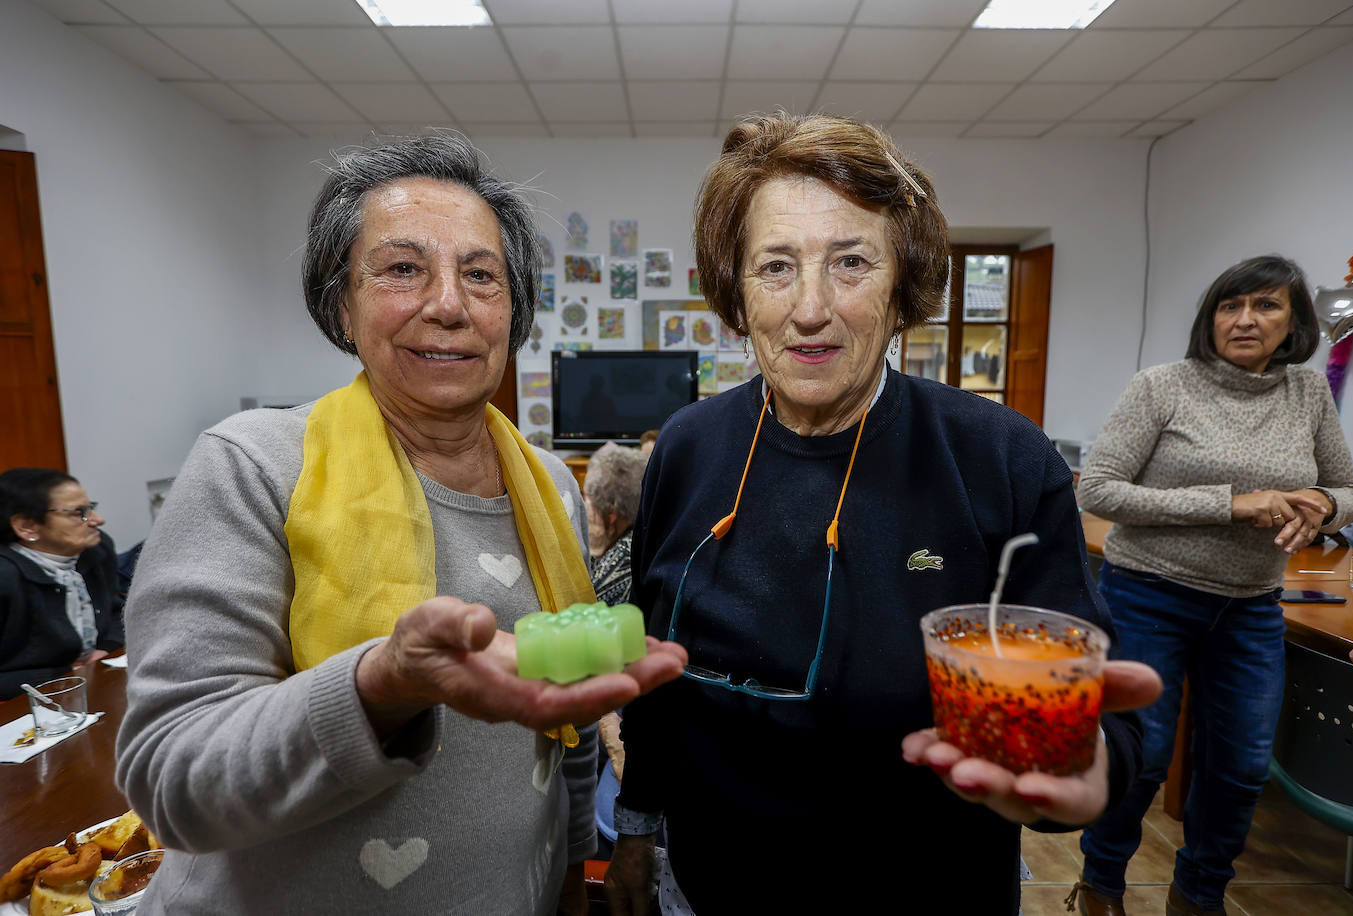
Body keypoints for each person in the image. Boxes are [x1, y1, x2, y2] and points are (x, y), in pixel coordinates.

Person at [603, 112, 1160, 915]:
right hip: (707, 890)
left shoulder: (1002, 459)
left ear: (903, 286)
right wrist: (634, 834)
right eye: (775, 266)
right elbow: (654, 677)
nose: (810, 308)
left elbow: (1091, 701)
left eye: (851, 262)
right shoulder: (687, 448)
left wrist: (1085, 766)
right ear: (737, 292)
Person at [114, 134, 684, 915]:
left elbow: (563, 716)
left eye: (481, 275)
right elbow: (170, 781)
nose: (448, 304)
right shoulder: (254, 467)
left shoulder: (549, 481)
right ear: (341, 303)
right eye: (403, 269)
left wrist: (567, 871)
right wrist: (379, 686)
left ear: (511, 311)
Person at [1072, 255, 1353, 916]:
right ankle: (1101, 885)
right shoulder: (1161, 387)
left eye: (1266, 306)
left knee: (1239, 768)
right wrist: (1233, 503)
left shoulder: (1308, 394)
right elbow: (1100, 490)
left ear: (1293, 323)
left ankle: (1198, 897)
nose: (1244, 320)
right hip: (1149, 593)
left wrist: (1322, 502)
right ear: (1210, 316)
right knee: (1141, 755)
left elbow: (1351, 491)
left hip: (1252, 604)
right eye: (1230, 306)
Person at [0, 468, 123, 699]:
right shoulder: (5, 576)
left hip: (91, 687)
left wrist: (107, 647)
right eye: (80, 513)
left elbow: (117, 611)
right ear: (26, 527)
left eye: (91, 508)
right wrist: (63, 674)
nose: (98, 520)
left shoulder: (96, 550)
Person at [584, 442, 648, 606]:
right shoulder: (646, 530)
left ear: (611, 514)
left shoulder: (623, 560)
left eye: (588, 500)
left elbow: (586, 610)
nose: (585, 508)